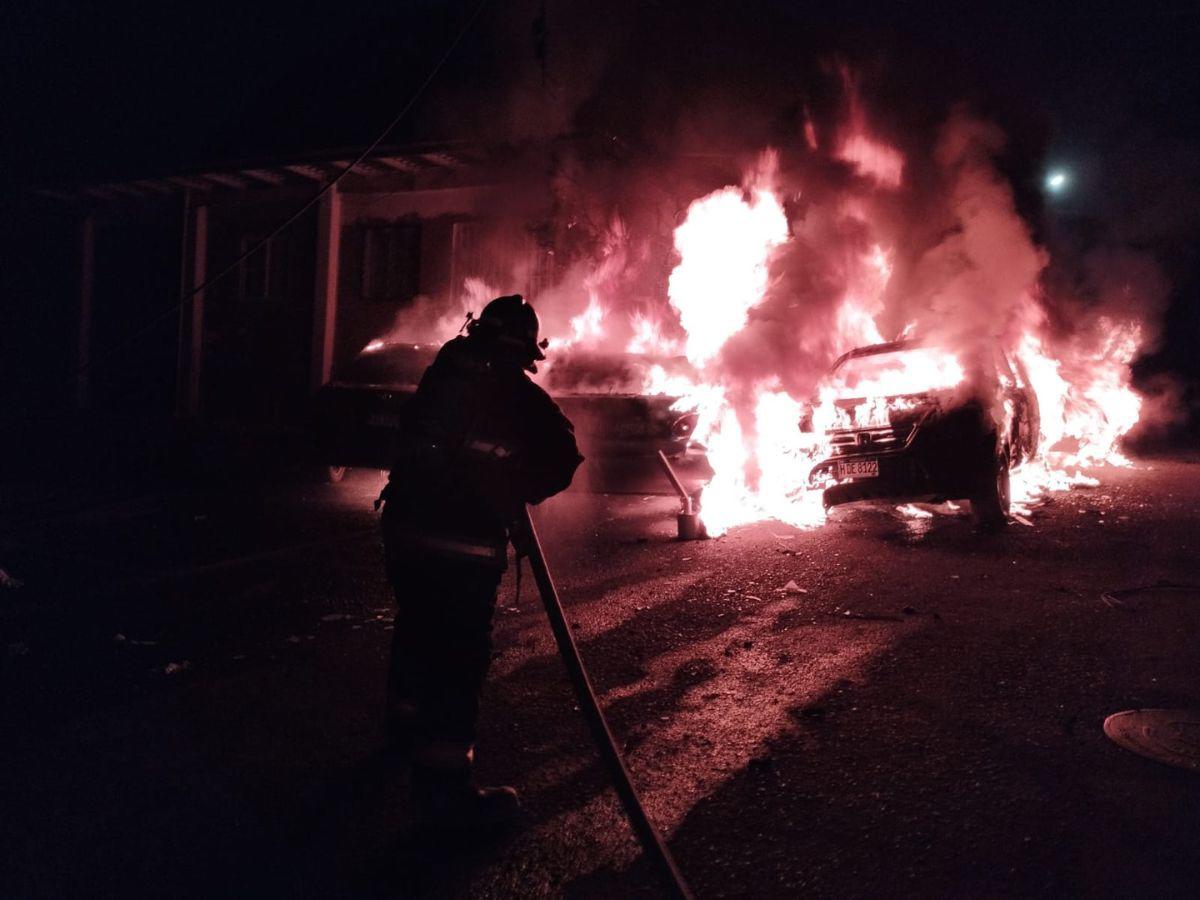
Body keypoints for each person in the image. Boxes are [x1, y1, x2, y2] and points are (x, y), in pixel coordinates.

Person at [379, 294, 582, 829]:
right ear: (523, 349)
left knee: (416, 627)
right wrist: (513, 493)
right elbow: (565, 459)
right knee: (457, 659)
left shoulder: (441, 375)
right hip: (463, 549)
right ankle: (445, 796)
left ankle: (401, 727)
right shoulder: (519, 396)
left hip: (403, 534)